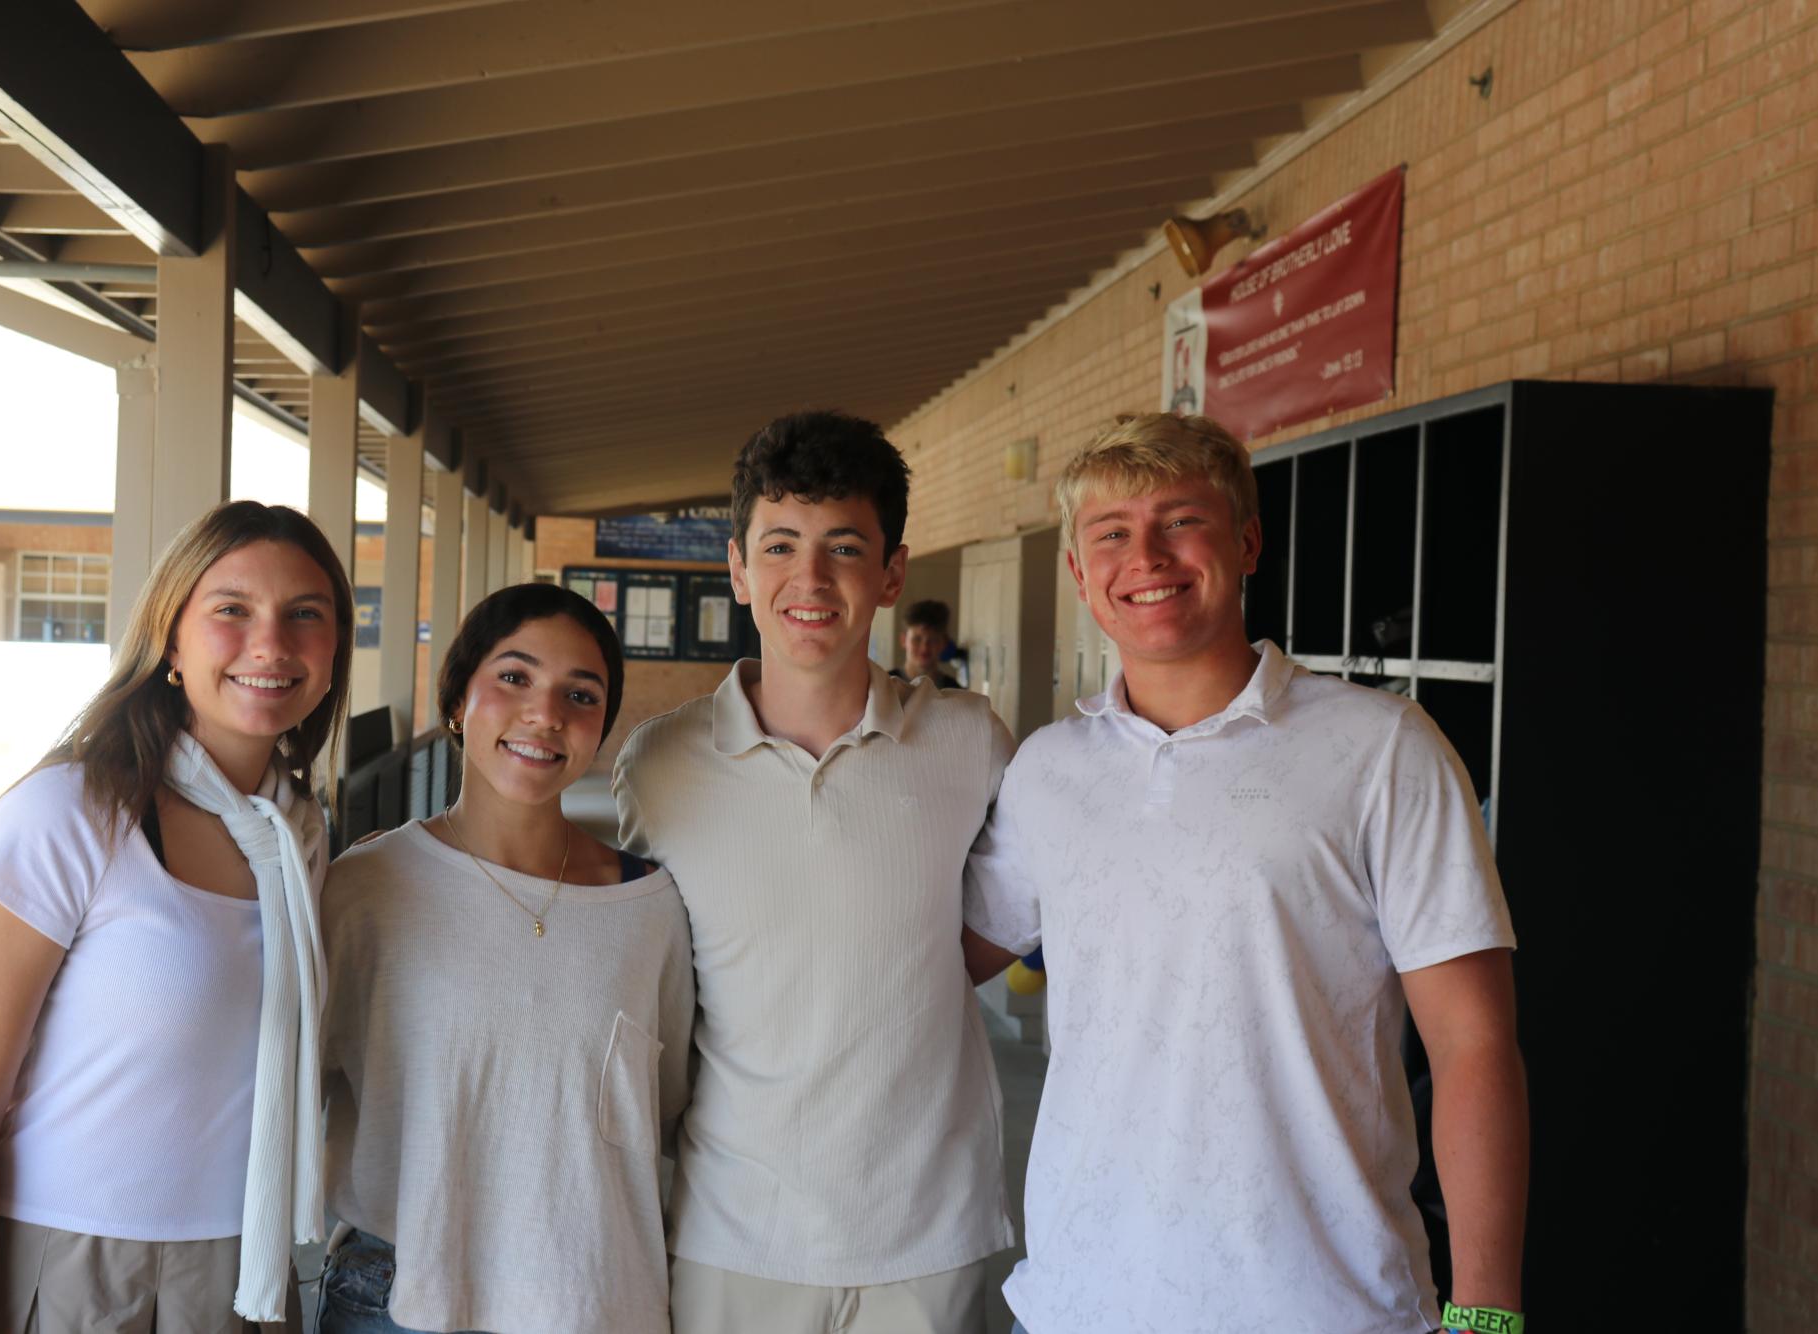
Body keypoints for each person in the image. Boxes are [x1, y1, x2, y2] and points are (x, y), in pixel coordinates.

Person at [963, 413, 1528, 1334]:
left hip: (1325, 1307)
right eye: (1110, 533)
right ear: (1078, 572)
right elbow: (939, 958)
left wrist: (1488, 1317)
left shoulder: (1382, 748)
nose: (1144, 555)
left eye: (1180, 520)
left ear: (1247, 541)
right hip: (1076, 1303)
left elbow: (1472, 1046)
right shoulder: (1048, 769)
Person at [0, 501, 353, 1334]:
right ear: (170, 641)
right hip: (60, 1270)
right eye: (231, 611)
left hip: (238, 1277)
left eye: (305, 616)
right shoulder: (70, 814)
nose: (272, 644)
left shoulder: (295, 834)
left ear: (332, 652)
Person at [613, 410, 1014, 1334]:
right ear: (737, 568)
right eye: (780, 544)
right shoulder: (661, 764)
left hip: (926, 1228)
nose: (811, 578)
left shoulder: (968, 741)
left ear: (891, 573)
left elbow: (995, 921)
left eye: (843, 546)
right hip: (731, 1228)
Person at [318, 583, 693, 1334]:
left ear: (600, 729)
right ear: (457, 700)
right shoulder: (363, 889)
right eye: (514, 677)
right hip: (397, 1294)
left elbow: (665, 1103)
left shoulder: (649, 908)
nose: (545, 714)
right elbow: (291, 1090)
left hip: (591, 1292)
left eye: (579, 695)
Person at [890, 598, 960, 690]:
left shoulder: (956, 691)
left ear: (944, 643)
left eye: (933, 640)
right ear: (903, 640)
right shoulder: (885, 685)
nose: (924, 648)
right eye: (917, 639)